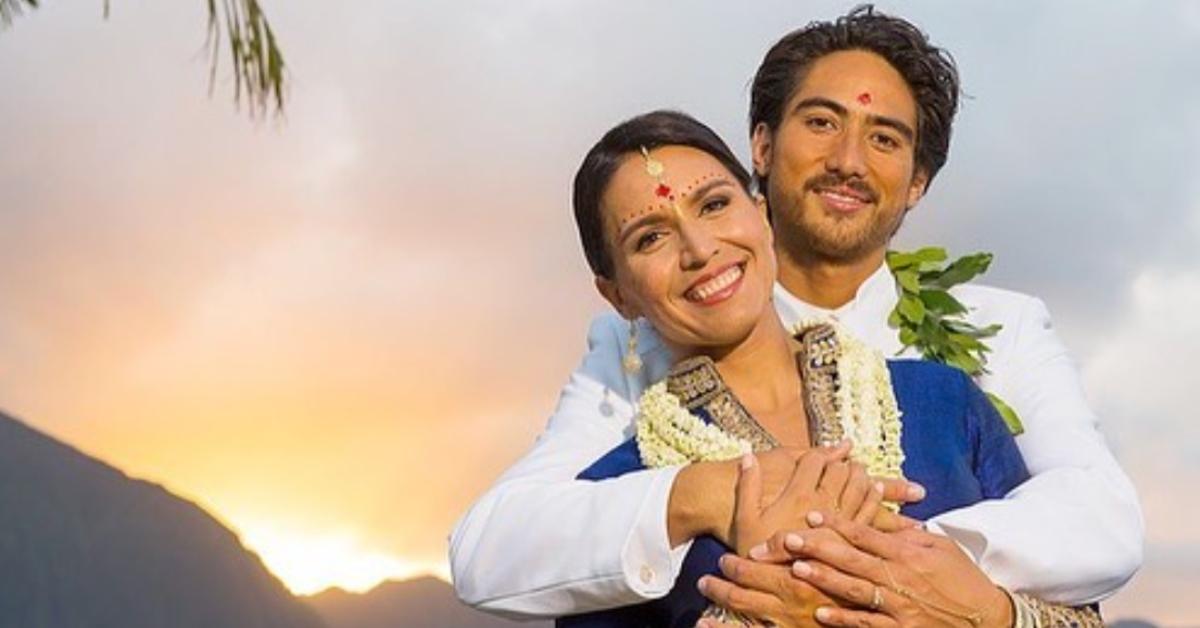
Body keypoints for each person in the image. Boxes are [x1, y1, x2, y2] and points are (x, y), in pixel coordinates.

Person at [449, 5, 1141, 622]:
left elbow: (1102, 527)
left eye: (885, 139)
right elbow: (498, 548)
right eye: (820, 122)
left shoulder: (979, 356)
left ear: (918, 184)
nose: (847, 160)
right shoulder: (637, 348)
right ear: (761, 148)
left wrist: (891, 571)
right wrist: (707, 492)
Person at [554, 109, 1084, 627]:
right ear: (618, 294)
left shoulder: (941, 400)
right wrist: (756, 606)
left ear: (761, 213)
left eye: (714, 205)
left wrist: (990, 614)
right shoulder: (624, 493)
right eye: (650, 238)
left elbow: (1082, 610)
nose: (700, 249)